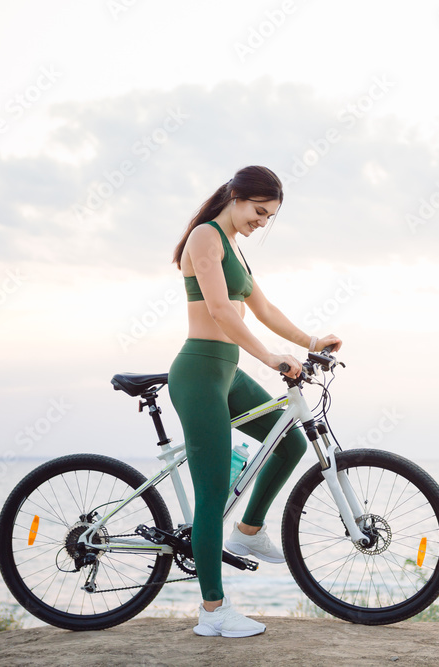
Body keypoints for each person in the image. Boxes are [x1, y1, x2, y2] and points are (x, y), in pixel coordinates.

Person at [168, 165, 342, 638]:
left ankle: (248, 532)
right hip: (200, 373)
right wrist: (269, 357)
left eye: (269, 218)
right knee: (210, 495)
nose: (261, 222)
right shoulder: (204, 238)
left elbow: (261, 309)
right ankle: (213, 612)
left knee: (289, 445)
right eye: (259, 212)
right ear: (237, 197)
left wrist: (311, 340)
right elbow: (222, 311)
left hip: (225, 372)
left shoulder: (233, 248)